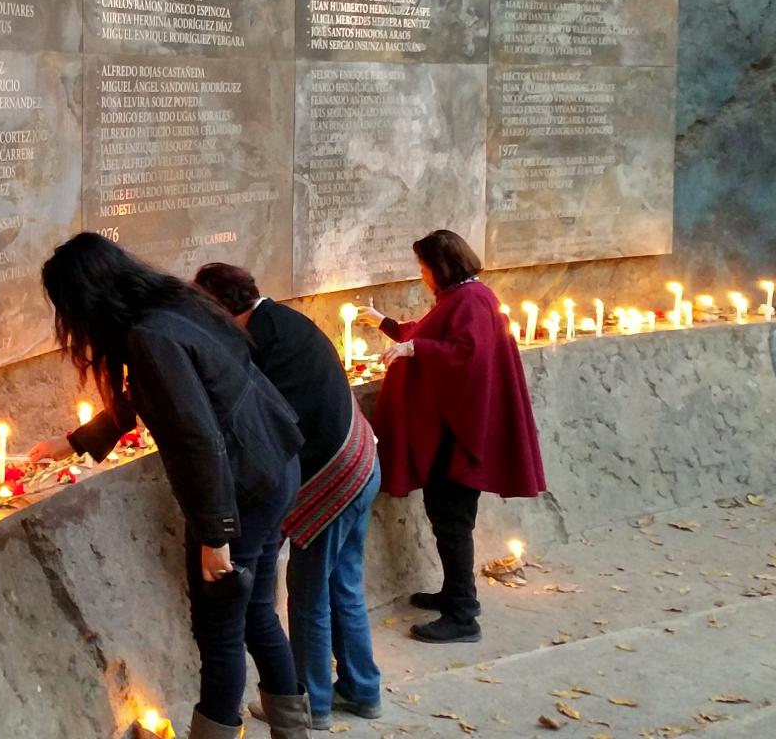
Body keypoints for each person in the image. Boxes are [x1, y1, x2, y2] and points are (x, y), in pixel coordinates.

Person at [28, 234, 310, 739]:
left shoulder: (149, 336)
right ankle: (293, 729)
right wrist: (75, 443)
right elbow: (149, 393)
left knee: (219, 632)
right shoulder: (175, 304)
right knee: (257, 612)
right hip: (274, 466)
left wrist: (216, 533)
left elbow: (198, 437)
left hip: (241, 490)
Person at [194, 264, 383, 729]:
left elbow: (262, 421)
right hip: (362, 459)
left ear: (220, 305)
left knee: (308, 593)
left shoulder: (262, 339)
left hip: (334, 477)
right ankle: (362, 689)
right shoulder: (278, 320)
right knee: (343, 585)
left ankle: (313, 702)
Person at [363, 230, 546, 644]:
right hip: (455, 432)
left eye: (424, 267)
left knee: (452, 520)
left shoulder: (471, 300)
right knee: (448, 517)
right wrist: (388, 326)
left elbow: (467, 354)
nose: (422, 275)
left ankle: (463, 614)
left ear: (441, 267)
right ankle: (455, 593)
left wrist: (415, 351)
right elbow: (438, 332)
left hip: (460, 438)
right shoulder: (465, 296)